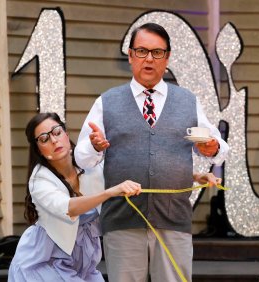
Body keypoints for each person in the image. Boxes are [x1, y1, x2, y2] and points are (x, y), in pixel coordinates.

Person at [75, 23, 230, 282]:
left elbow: (217, 148)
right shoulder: (107, 102)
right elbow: (81, 157)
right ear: (130, 55)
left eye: (157, 52)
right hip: (123, 220)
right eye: (142, 51)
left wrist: (212, 147)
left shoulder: (187, 101)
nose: (149, 59)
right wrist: (94, 145)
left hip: (174, 220)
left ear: (167, 58)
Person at [8, 112, 142, 282]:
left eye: (57, 132)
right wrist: (109, 193)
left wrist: (98, 147)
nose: (54, 140)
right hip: (45, 262)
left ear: (66, 133)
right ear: (38, 150)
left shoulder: (89, 165)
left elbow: (118, 167)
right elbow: (69, 208)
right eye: (44, 139)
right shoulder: (40, 180)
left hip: (83, 263)